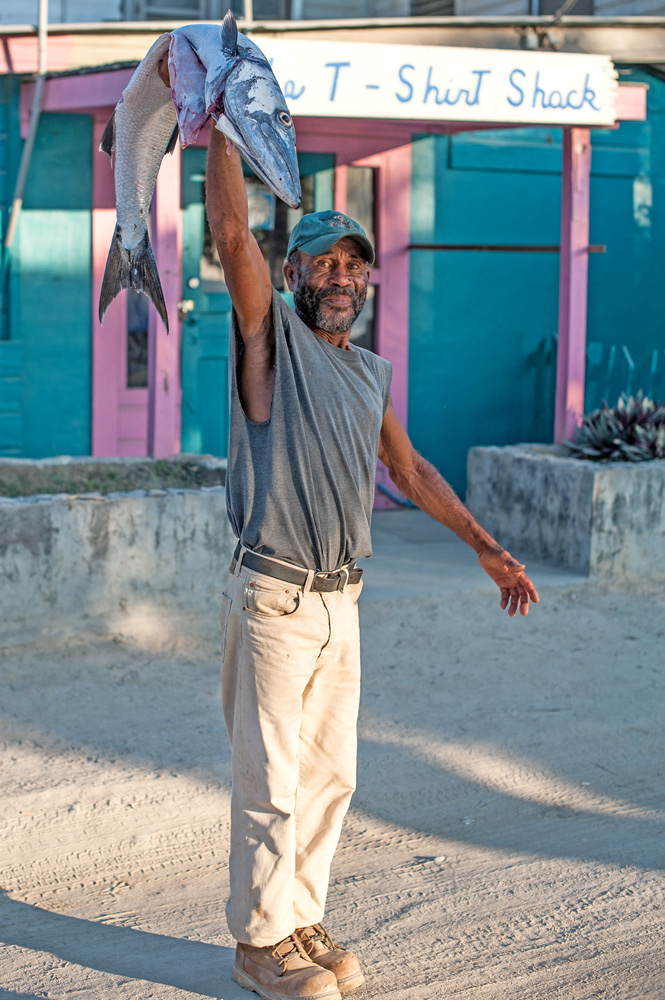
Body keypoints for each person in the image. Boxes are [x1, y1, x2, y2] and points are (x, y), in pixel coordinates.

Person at [205, 126, 539, 1000]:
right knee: (270, 782)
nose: (341, 278)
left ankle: (297, 921)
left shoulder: (371, 374)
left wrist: (487, 549)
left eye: (354, 265)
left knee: (327, 780)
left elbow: (412, 469)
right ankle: (257, 945)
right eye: (323, 264)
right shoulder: (269, 341)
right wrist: (220, 134)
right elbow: (234, 237)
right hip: (274, 593)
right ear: (293, 276)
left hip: (340, 603)